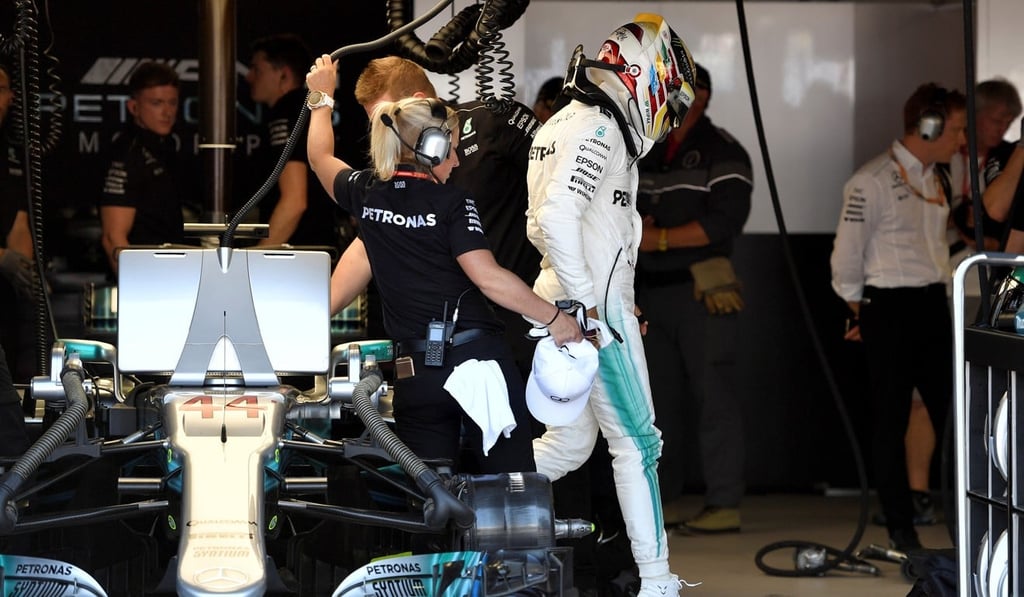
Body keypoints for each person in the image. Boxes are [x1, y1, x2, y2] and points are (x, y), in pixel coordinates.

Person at [306, 55, 583, 474]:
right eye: (450, 150)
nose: (456, 160)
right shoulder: (452, 201)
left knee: (431, 499)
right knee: (509, 496)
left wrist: (320, 96)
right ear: (431, 146)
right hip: (478, 365)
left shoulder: (367, 193)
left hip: (416, 375)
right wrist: (557, 319)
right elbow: (487, 278)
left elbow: (319, 156)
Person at [525, 14, 698, 596]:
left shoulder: (562, 123)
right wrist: (587, 312)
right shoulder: (599, 127)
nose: (668, 109)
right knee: (639, 444)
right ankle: (656, 582)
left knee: (570, 446)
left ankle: (463, 492)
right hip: (590, 306)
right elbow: (555, 217)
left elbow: (541, 223)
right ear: (646, 74)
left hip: (562, 297)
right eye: (668, 92)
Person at [830, 82, 965, 552]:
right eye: (957, 129)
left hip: (934, 306)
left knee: (955, 415)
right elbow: (845, 258)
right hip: (887, 306)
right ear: (927, 126)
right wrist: (858, 309)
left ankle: (964, 517)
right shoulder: (870, 181)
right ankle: (901, 528)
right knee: (891, 419)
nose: (962, 140)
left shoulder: (940, 177)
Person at [353, 56, 542, 375]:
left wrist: (596, 300)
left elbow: (569, 205)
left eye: (386, 120)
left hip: (527, 322)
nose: (382, 135)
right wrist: (312, 319)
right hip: (444, 343)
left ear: (416, 104)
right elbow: (363, 251)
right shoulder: (393, 178)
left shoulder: (494, 123)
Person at [635, 63, 753, 534]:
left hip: (700, 292)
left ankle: (724, 502)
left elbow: (723, 224)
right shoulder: (645, 145)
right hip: (643, 294)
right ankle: (660, 501)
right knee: (653, 403)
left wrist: (657, 239)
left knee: (713, 397)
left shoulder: (723, 149)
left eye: (689, 91)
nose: (681, 98)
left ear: (703, 95)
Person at [246, 33, 341, 252]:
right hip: (317, 249)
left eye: (257, 70)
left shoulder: (288, 111)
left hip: (297, 254)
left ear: (283, 75)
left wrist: (255, 258)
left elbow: (295, 201)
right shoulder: (304, 109)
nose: (249, 77)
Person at [99, 62, 190, 276]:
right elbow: (113, 238)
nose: (167, 112)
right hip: (146, 281)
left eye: (172, 102)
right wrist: (139, 292)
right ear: (133, 107)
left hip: (173, 273)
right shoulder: (126, 153)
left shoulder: (166, 148)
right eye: (157, 103)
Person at [0, 60, 31, 452]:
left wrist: (21, 264)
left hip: (7, 308)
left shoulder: (12, 151)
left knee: (11, 440)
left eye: (3, 88)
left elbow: (20, 218)